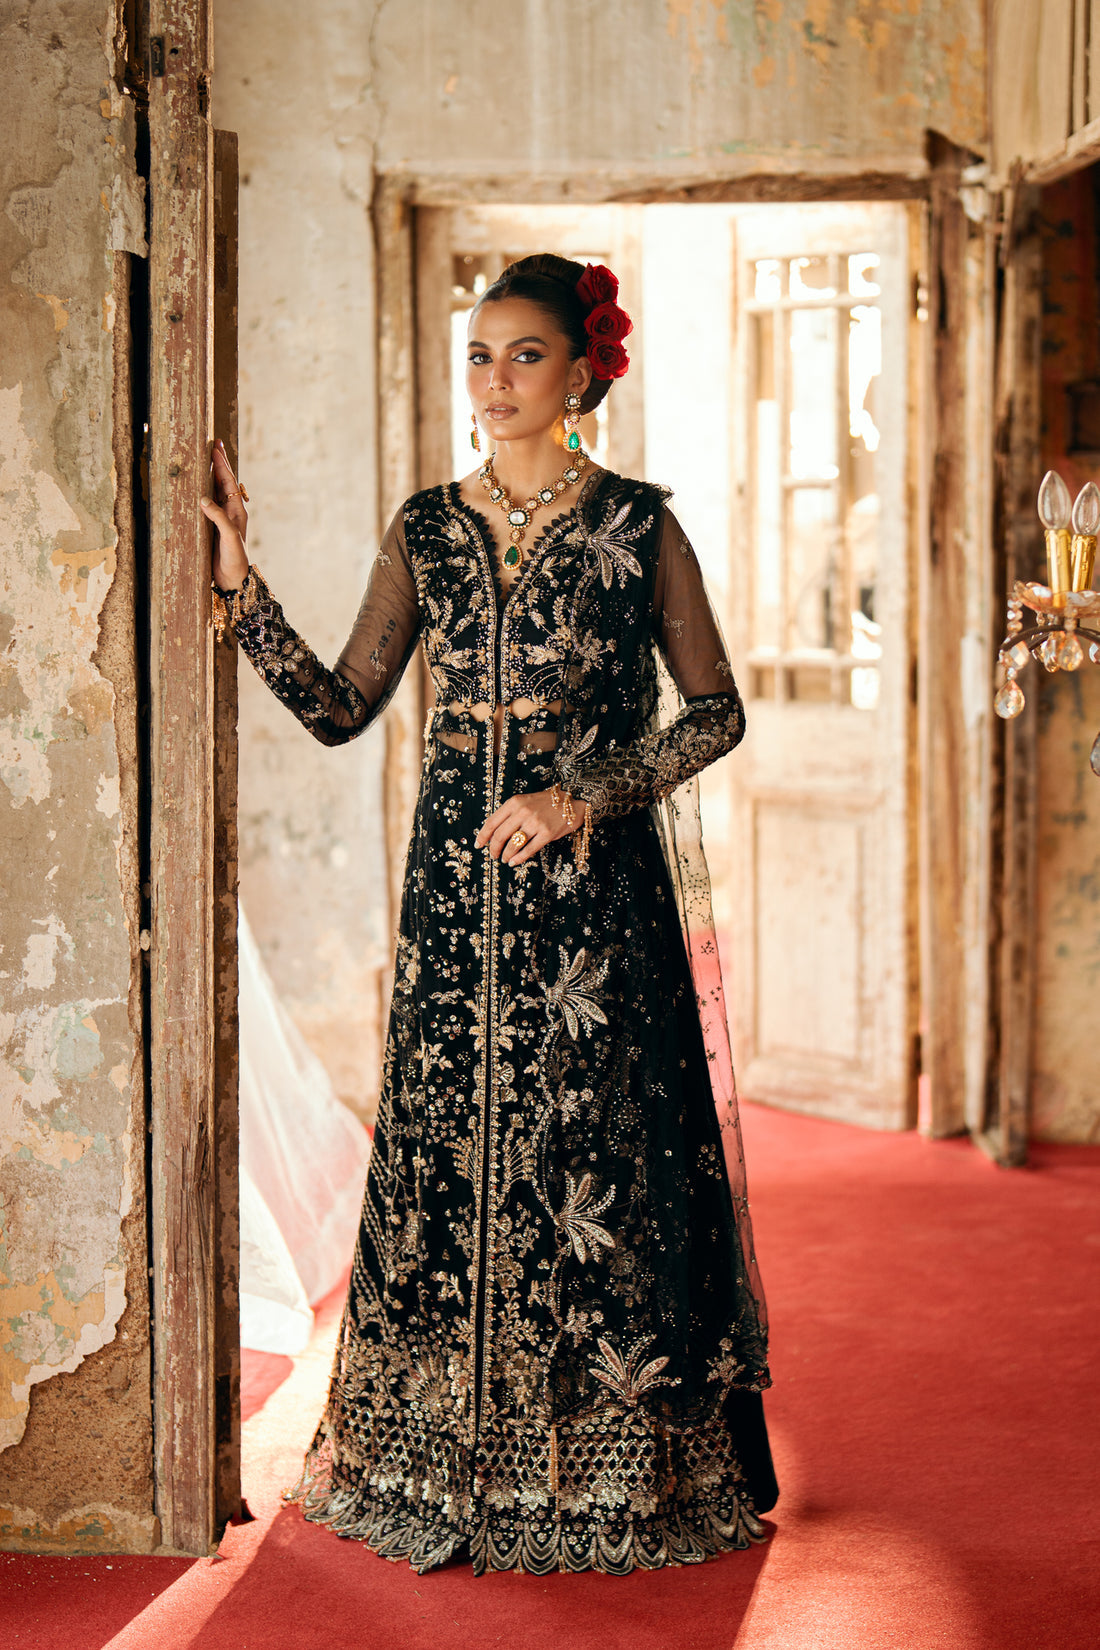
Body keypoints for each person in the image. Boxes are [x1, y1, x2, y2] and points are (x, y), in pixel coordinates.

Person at [201, 253, 777, 1577]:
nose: (497, 380)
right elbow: (339, 705)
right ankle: (439, 1459)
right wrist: (241, 585)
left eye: (526, 354)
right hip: (458, 901)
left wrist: (581, 799)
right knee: (448, 1162)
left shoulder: (637, 528)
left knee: (599, 1169)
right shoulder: (426, 530)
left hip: (599, 911)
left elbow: (716, 713)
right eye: (480, 354)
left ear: (581, 371)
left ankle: (608, 1468)